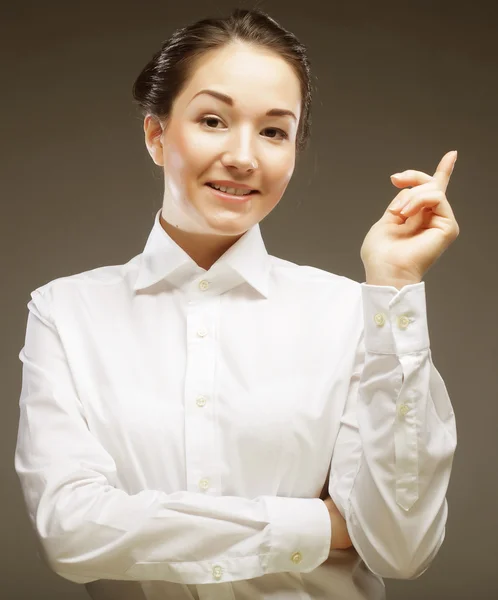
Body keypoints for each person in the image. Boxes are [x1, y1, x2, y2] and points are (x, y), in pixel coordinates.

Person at [14, 7, 459, 600]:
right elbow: (70, 533)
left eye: (274, 131)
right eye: (213, 120)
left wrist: (396, 285)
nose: (245, 156)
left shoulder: (355, 313)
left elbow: (401, 549)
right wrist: (317, 526)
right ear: (156, 134)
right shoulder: (65, 313)